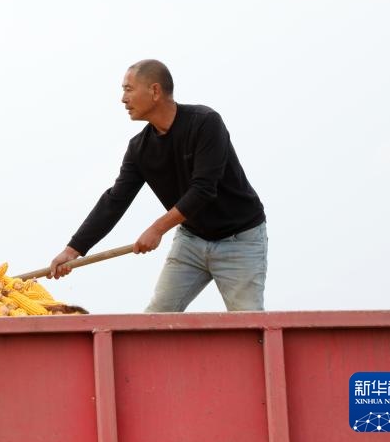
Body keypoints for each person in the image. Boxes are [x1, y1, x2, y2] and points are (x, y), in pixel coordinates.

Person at [48, 60, 268, 312]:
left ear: (154, 91)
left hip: (240, 239)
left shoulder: (206, 123)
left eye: (128, 89)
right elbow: (115, 200)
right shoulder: (139, 148)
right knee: (155, 319)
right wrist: (73, 249)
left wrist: (156, 229)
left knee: (249, 324)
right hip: (192, 240)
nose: (123, 99)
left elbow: (204, 189)